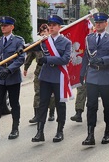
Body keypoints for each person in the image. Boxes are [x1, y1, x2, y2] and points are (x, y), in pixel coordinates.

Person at [80, 12, 109, 145]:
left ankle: (107, 132)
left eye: (100, 22)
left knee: (107, 106)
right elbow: (85, 57)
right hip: (92, 75)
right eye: (96, 23)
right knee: (91, 106)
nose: (98, 25)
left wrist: (104, 59)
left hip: (106, 76)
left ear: (106, 23)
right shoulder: (89, 38)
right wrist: (82, 73)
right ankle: (90, 135)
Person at [31, 15, 72, 143]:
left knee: (60, 104)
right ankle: (39, 132)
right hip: (45, 76)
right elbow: (31, 47)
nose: (51, 27)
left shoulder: (66, 42)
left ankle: (60, 131)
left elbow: (65, 59)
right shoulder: (44, 41)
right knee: (43, 104)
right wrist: (22, 48)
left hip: (59, 77)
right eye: (50, 25)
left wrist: (47, 59)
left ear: (60, 27)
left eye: (54, 25)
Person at [23, 24, 55, 124]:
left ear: (49, 32)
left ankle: (51, 112)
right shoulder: (37, 44)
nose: (43, 35)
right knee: (38, 92)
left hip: (51, 70)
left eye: (45, 32)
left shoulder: (53, 43)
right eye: (41, 33)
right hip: (39, 70)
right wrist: (26, 68)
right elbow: (30, 56)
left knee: (51, 94)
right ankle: (37, 115)